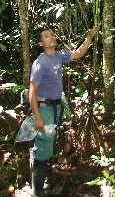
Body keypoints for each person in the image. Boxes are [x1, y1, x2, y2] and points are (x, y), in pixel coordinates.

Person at [28, 24, 99, 197]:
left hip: (56, 107)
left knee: (47, 143)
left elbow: (79, 53)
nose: (51, 37)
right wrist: (38, 118)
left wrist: (90, 35)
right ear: (40, 44)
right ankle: (37, 191)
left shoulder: (59, 56)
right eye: (46, 36)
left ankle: (39, 183)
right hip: (44, 109)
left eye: (52, 34)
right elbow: (31, 92)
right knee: (43, 145)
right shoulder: (40, 63)